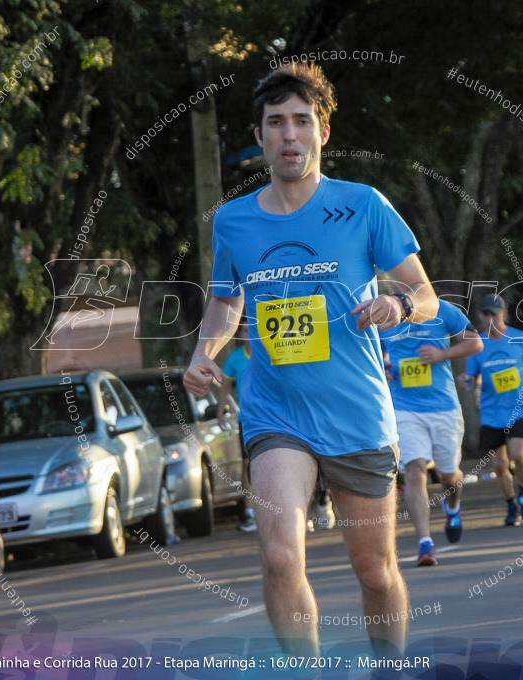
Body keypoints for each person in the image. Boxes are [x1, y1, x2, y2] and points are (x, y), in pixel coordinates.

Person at [183, 62, 438, 656]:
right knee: (278, 555)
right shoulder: (233, 219)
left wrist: (398, 306)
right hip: (277, 414)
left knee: (374, 571)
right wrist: (203, 352)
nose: (289, 135)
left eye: (302, 121)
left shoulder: (364, 205)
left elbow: (425, 294)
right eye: (276, 123)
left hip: (356, 412)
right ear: (260, 135)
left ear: (323, 132)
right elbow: (226, 299)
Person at [381, 298, 482, 565]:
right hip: (404, 408)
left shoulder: (443, 310)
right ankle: (425, 543)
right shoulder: (384, 313)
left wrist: (441, 355)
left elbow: (475, 342)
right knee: (415, 470)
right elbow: (371, 354)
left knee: (449, 475)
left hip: (443, 407)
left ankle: (453, 506)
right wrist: (383, 367)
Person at [463, 294, 523, 526]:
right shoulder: (477, 344)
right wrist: (467, 380)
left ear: (504, 314)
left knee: (518, 455)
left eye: (494, 314)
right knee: (499, 464)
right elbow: (471, 377)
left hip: (519, 407)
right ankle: (511, 504)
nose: (489, 319)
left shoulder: (520, 338)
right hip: (491, 412)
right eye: (485, 314)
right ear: (479, 315)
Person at [215, 323, 264, 532]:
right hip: (248, 420)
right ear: (239, 334)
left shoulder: (267, 351)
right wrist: (219, 413)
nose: (248, 333)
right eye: (244, 330)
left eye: (251, 328)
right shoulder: (234, 358)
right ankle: (250, 513)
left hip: (274, 418)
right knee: (248, 465)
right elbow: (225, 387)